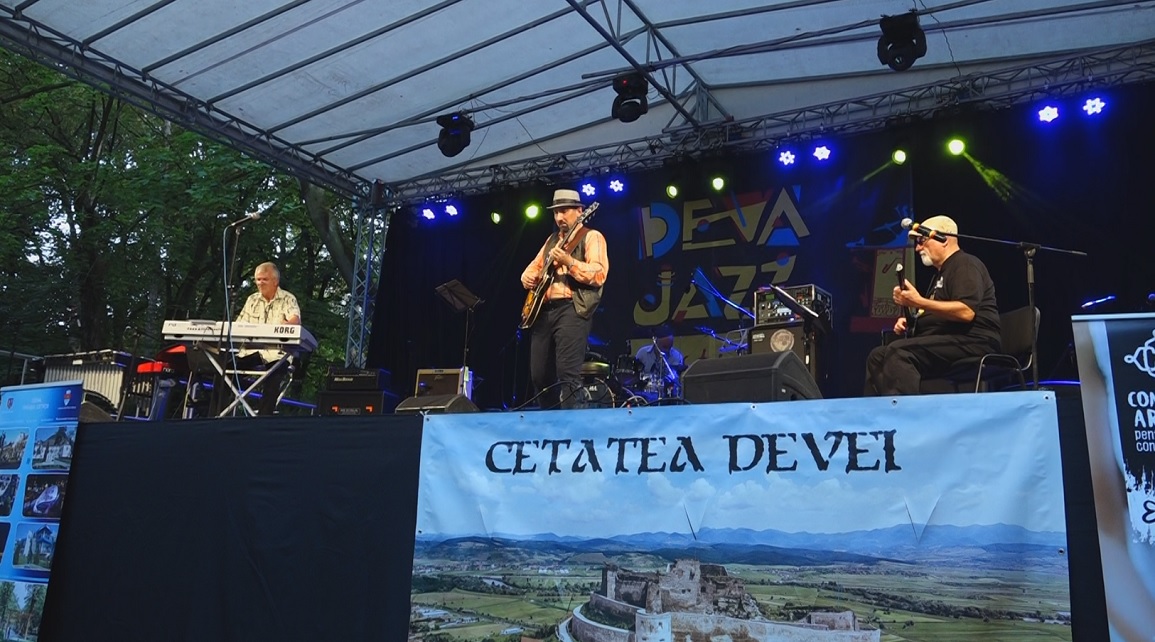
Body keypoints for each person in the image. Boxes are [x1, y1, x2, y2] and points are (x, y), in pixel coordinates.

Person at [865, 215, 1000, 395]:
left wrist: (918, 301)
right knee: (877, 356)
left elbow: (966, 312)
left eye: (922, 241)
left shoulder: (965, 264)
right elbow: (936, 312)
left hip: (974, 341)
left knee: (900, 351)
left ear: (944, 239)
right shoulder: (939, 275)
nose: (918, 248)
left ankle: (905, 410)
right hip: (950, 340)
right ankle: (881, 410)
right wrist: (911, 321)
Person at [520, 189, 608, 409]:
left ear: (579, 211)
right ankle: (551, 420)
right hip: (544, 311)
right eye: (556, 212)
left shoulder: (591, 236)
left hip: (572, 308)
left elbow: (599, 274)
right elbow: (531, 269)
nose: (559, 217)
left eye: (564, 211)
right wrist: (528, 277)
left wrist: (570, 262)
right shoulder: (552, 241)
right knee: (539, 374)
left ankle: (571, 423)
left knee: (567, 373)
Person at [230, 262, 301, 416]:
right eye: (258, 279)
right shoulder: (252, 300)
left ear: (275, 281)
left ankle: (263, 419)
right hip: (250, 352)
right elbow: (238, 326)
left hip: (277, 354)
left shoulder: (288, 299)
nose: (260, 283)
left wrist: (289, 324)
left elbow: (295, 321)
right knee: (225, 369)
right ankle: (216, 415)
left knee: (275, 373)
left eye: (264, 279)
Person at [634, 324, 685, 399]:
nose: (667, 350)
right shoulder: (643, 353)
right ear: (655, 342)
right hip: (645, 394)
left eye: (670, 347)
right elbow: (635, 375)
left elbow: (677, 380)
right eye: (664, 347)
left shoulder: (677, 356)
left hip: (668, 395)